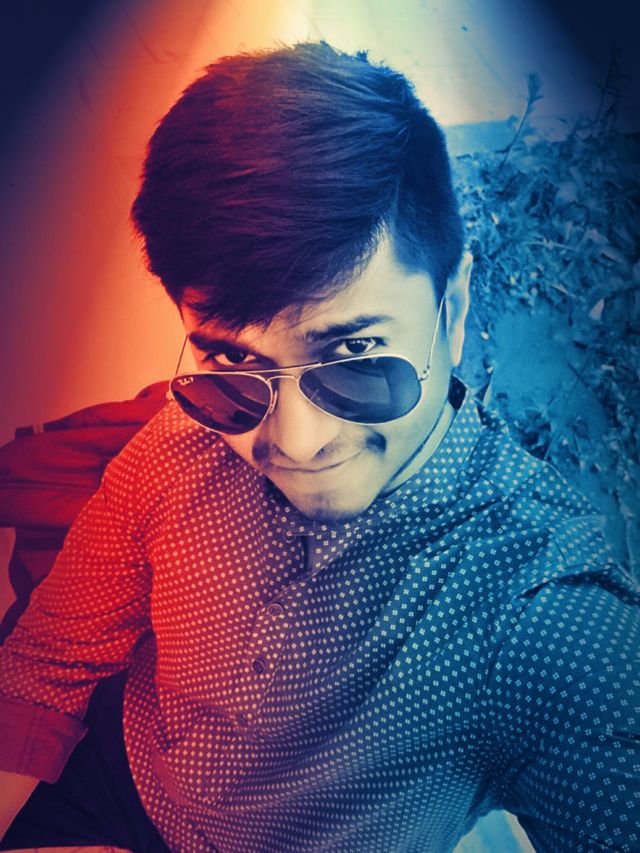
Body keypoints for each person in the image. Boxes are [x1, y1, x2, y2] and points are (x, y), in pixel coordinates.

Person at [0, 41, 638, 853]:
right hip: (113, 777)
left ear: (452, 311)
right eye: (234, 362)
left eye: (355, 357)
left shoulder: (543, 614)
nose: (294, 442)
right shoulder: (182, 436)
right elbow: (49, 659)